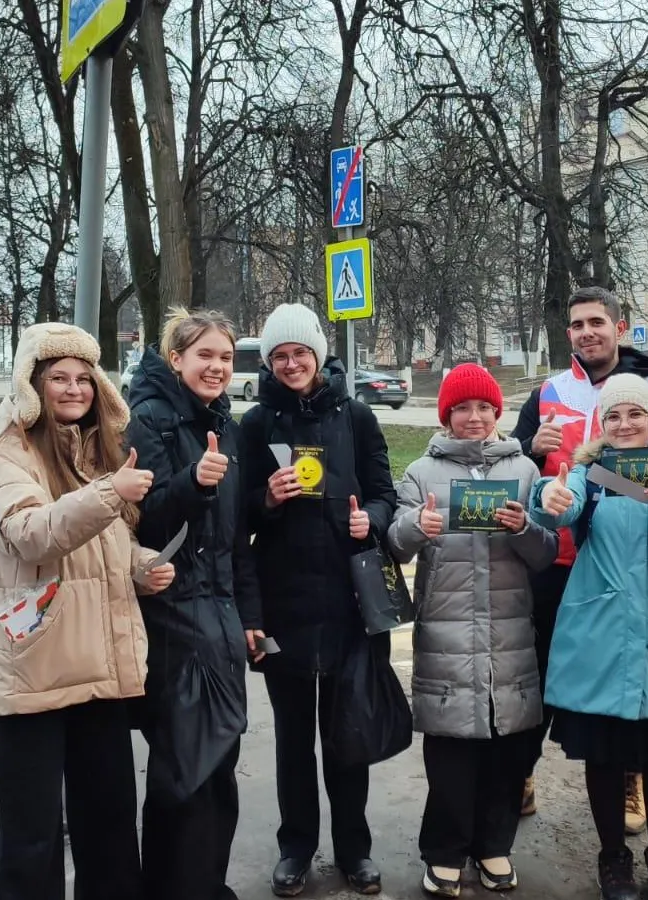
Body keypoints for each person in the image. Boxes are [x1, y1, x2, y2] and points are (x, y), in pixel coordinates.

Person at [0, 322, 174, 900]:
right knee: (31, 834)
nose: (73, 389)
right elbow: (29, 534)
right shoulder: (4, 453)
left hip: (96, 668)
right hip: (33, 667)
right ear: (33, 383)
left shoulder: (93, 448)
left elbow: (99, 542)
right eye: (58, 377)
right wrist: (113, 493)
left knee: (109, 825)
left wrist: (140, 565)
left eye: (84, 378)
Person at [527, 373, 648, 900]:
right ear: (601, 424)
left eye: (634, 414)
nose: (624, 424)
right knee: (603, 756)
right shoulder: (591, 471)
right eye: (613, 416)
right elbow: (558, 502)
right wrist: (551, 495)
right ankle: (613, 858)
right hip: (601, 634)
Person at [509, 286, 648, 829]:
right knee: (535, 670)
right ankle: (521, 771)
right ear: (569, 334)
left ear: (620, 327)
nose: (588, 333)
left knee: (625, 677)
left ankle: (632, 782)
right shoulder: (547, 391)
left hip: (623, 566)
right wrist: (532, 449)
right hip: (550, 561)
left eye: (597, 323)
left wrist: (599, 481)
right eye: (578, 324)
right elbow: (512, 463)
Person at [239, 302, 396, 897]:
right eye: (278, 356)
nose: (290, 364)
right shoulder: (255, 425)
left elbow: (384, 494)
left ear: (318, 355)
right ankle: (295, 848)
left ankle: (355, 848)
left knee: (345, 734)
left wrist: (370, 522)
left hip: (347, 603)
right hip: (284, 603)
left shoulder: (356, 418)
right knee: (292, 739)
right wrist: (268, 499)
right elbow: (239, 514)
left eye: (299, 352)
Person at [387, 364, 557, 898]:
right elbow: (394, 540)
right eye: (463, 408)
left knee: (508, 750)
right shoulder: (419, 472)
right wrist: (418, 527)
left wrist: (524, 527)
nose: (475, 417)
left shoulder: (525, 470)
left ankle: (493, 846)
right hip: (448, 634)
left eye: (484, 407)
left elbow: (546, 553)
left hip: (510, 637)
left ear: (497, 413)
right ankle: (444, 851)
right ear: (447, 415)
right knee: (451, 753)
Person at [124, 308, 264, 900]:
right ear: (176, 358)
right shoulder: (148, 420)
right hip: (173, 620)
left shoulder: (224, 424)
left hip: (224, 621)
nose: (217, 367)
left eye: (226, 358)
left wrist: (252, 617)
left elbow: (235, 540)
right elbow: (146, 516)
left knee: (219, 766)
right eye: (205, 355)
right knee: (182, 772)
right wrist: (196, 481)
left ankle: (208, 885)